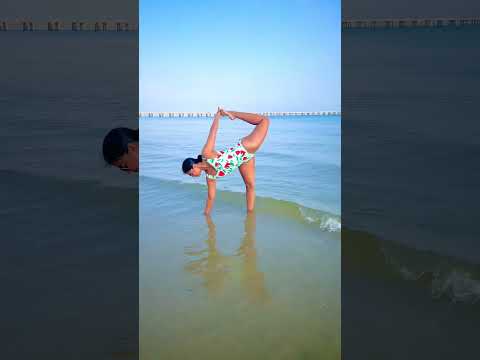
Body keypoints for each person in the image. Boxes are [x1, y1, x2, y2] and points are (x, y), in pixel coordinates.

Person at [182, 108, 270, 214]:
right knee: (250, 186)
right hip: (244, 160)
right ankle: (250, 214)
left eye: (190, 174)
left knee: (264, 120)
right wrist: (206, 215)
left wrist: (217, 116)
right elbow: (211, 197)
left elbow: (213, 132)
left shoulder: (206, 154)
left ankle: (234, 114)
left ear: (193, 166)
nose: (192, 176)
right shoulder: (210, 177)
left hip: (245, 147)